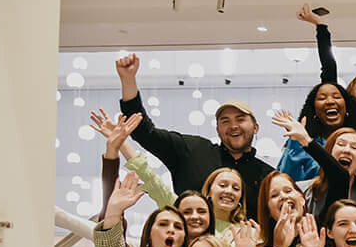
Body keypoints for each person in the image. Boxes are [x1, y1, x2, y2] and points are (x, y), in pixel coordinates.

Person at [115, 53, 272, 204]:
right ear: (217, 129)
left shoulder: (268, 177)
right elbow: (144, 132)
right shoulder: (192, 150)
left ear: (256, 127)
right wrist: (128, 80)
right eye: (225, 121)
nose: (233, 126)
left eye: (240, 119)